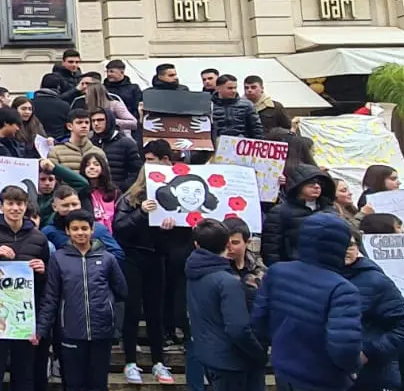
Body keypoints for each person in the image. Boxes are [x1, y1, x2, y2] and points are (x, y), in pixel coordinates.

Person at [251, 213, 364, 391]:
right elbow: (343, 346)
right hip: (325, 379)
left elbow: (259, 321)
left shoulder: (277, 272)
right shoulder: (342, 289)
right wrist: (355, 366)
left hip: (285, 371)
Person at [0, 186, 49, 391]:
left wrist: (43, 271)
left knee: (24, 373)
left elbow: (46, 284)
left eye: (20, 204)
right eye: (10, 203)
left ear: (26, 207)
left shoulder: (38, 238)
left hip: (24, 316)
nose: (15, 208)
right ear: (1, 206)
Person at [36, 209, 125, 391]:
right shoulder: (58, 258)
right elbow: (51, 296)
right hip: (70, 330)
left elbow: (122, 290)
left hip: (102, 331)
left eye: (84, 228)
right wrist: (41, 329)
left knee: (98, 383)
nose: (80, 233)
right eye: (75, 229)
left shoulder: (107, 258)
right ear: (67, 231)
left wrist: (106, 307)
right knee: (74, 383)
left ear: (92, 230)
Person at [184, 219, 266, 391]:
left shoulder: (195, 272)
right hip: (233, 360)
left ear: (197, 245)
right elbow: (237, 328)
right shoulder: (226, 281)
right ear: (226, 244)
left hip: (211, 355)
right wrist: (259, 353)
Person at [341, 226, 404, 391]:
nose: (346, 250)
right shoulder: (309, 279)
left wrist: (368, 352)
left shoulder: (374, 280)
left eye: (350, 245)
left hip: (370, 377)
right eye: (339, 245)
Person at [112, 166, 176, 385]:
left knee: (154, 312)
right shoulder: (128, 199)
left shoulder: (172, 199)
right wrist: (141, 213)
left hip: (157, 259)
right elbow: (119, 228)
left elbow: (176, 241)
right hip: (133, 258)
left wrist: (169, 231)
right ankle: (130, 361)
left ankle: (159, 362)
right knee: (131, 310)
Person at [261, 162, 337, 265]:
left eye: (319, 183)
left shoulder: (331, 211)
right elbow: (271, 247)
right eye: (311, 183)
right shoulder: (280, 212)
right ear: (298, 185)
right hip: (291, 269)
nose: (316, 186)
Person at [210, 75, 263, 141]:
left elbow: (257, 129)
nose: (234, 91)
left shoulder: (247, 105)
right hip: (216, 146)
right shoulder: (209, 105)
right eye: (230, 88)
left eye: (235, 88)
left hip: (241, 145)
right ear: (218, 89)